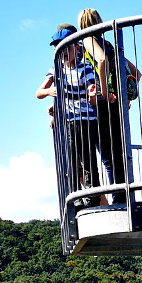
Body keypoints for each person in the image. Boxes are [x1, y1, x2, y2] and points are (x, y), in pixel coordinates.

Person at [77, 8, 141, 205]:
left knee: (107, 155)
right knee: (118, 152)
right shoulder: (111, 45)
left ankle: (117, 199)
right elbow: (137, 73)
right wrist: (122, 94)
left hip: (102, 103)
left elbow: (101, 60)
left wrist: (104, 93)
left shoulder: (88, 40)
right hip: (116, 103)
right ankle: (123, 197)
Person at [36, 24, 102, 206]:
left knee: (87, 160)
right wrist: (51, 92)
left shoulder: (85, 68)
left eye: (67, 46)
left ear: (77, 47)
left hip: (86, 120)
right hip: (68, 121)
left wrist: (91, 92)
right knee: (71, 161)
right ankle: (76, 198)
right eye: (59, 48)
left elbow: (91, 89)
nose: (64, 51)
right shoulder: (56, 70)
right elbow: (39, 92)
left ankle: (92, 199)